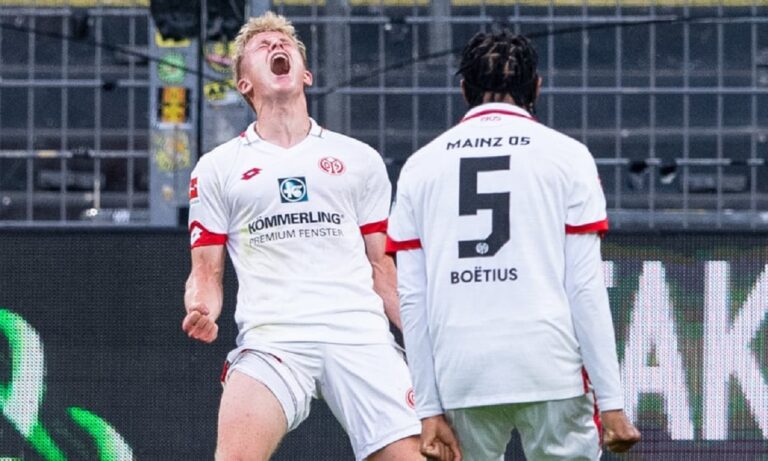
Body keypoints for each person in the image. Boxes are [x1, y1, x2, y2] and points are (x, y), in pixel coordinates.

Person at [387, 30, 641, 461]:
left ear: (464, 90)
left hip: (461, 372)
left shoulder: (420, 167)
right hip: (550, 367)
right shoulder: (568, 157)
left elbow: (412, 298)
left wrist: (428, 407)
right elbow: (585, 288)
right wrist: (611, 401)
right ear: (536, 87)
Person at [182, 11, 423, 461]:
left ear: (305, 74)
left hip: (358, 334)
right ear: (244, 83)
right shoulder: (218, 168)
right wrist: (202, 308)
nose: (277, 46)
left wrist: (425, 341)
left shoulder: (359, 159)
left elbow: (383, 269)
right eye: (263, 46)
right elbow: (206, 273)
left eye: (285, 43)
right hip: (274, 338)